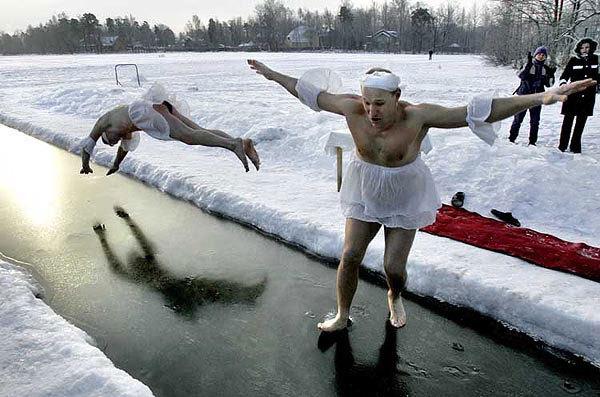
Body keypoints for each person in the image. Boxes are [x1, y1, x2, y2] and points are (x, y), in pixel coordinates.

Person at [247, 58, 595, 332]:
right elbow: (310, 93)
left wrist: (540, 97)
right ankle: (342, 313)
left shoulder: (418, 117)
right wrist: (273, 74)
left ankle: (394, 294)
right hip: (365, 191)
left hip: (403, 193)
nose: (372, 112)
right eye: (368, 103)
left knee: (393, 267)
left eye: (380, 104)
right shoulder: (352, 108)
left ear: (397, 97)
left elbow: (477, 112)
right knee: (350, 254)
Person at [79, 100, 260, 175]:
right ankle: (243, 143)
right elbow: (123, 150)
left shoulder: (104, 121)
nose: (113, 141)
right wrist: (115, 165)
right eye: (113, 142)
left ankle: (232, 145)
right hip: (156, 107)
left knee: (189, 136)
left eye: (109, 140)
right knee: (198, 131)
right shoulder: (122, 133)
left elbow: (87, 145)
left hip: (143, 111)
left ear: (105, 132)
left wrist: (85, 165)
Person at [558, 37, 599, 153]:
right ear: (579, 49)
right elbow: (564, 76)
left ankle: (575, 146)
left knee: (581, 123)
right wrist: (563, 85)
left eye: (587, 47)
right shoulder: (573, 60)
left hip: (588, 97)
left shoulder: (596, 59)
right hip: (573, 96)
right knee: (567, 122)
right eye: (582, 48)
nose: (585, 50)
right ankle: (562, 146)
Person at [509, 46, 556, 145]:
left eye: (543, 55)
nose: (541, 56)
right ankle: (511, 139)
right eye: (539, 54)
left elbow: (549, 85)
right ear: (535, 55)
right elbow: (521, 76)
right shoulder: (528, 65)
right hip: (524, 97)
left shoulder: (545, 69)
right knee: (518, 119)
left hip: (537, 98)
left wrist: (551, 75)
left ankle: (532, 142)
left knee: (535, 122)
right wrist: (527, 66)